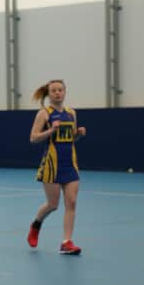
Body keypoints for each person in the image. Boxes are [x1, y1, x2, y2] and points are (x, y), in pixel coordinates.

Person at [27, 79, 86, 255]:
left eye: (60, 90)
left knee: (72, 202)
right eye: (54, 91)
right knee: (53, 205)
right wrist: (50, 131)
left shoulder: (71, 113)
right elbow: (33, 138)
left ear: (65, 92)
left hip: (70, 164)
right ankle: (36, 224)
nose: (58, 93)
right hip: (52, 165)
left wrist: (78, 135)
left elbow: (70, 138)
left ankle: (66, 242)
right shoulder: (44, 114)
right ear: (49, 94)